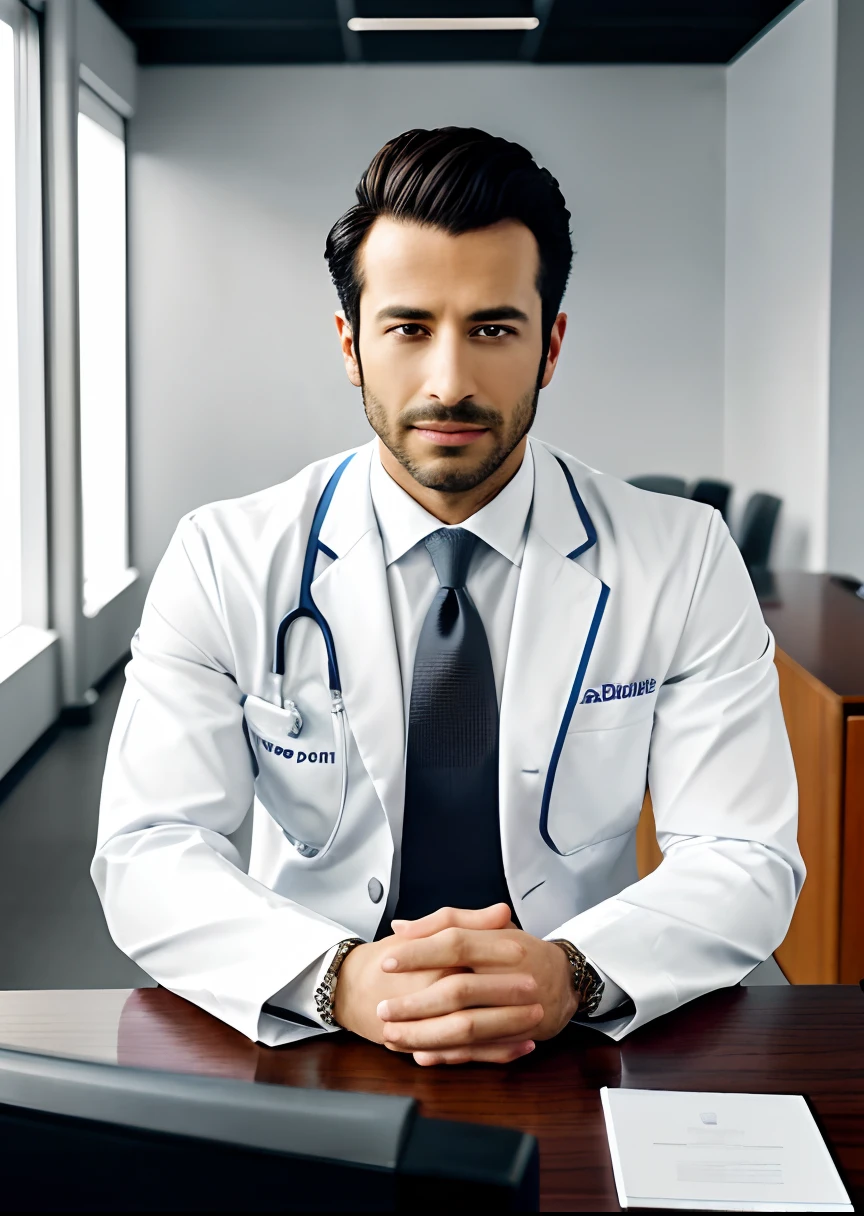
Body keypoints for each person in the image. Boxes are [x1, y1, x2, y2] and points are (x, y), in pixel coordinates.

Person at [92, 127, 804, 1067]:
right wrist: (335, 978)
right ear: (351, 345)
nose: (450, 383)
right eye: (409, 327)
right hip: (308, 1027)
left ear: (550, 345)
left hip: (577, 1034)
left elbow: (743, 853)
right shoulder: (226, 556)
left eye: (493, 328)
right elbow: (149, 849)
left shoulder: (682, 556)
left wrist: (572, 973)